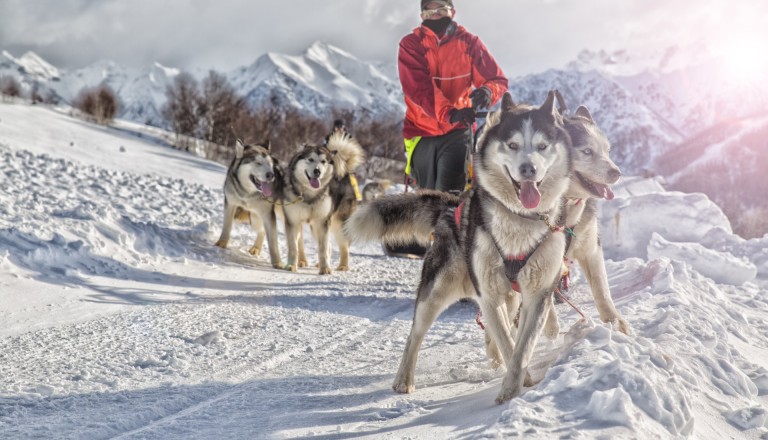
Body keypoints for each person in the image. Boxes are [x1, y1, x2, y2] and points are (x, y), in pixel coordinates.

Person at [386, 0, 508, 257]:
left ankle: (450, 259)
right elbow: (419, 90)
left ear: (452, 11)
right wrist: (450, 111)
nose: (437, 15)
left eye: (442, 9)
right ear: (422, 15)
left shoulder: (469, 43)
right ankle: (424, 244)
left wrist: (487, 91)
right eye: (430, 11)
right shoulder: (411, 44)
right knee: (427, 196)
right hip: (421, 130)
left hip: (457, 131)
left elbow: (496, 78)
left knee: (450, 195)